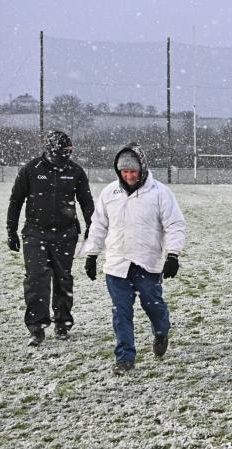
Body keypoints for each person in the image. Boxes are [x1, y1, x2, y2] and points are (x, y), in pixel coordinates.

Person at [79, 143, 186, 375]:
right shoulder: (109, 193)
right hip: (117, 264)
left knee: (153, 306)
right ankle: (125, 358)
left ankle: (161, 331)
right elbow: (98, 226)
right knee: (121, 312)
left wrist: (173, 254)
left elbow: (175, 225)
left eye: (133, 171)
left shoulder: (160, 193)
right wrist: (91, 254)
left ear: (142, 169)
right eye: (124, 171)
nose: (129, 176)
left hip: (147, 262)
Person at [6, 130, 94, 346]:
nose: (66, 156)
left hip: (66, 234)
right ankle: (36, 327)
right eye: (62, 151)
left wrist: (91, 226)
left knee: (63, 279)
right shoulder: (31, 169)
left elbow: (86, 201)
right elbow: (16, 200)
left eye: (69, 151)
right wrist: (11, 230)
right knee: (36, 280)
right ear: (50, 150)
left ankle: (63, 323)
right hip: (35, 233)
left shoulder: (75, 171)